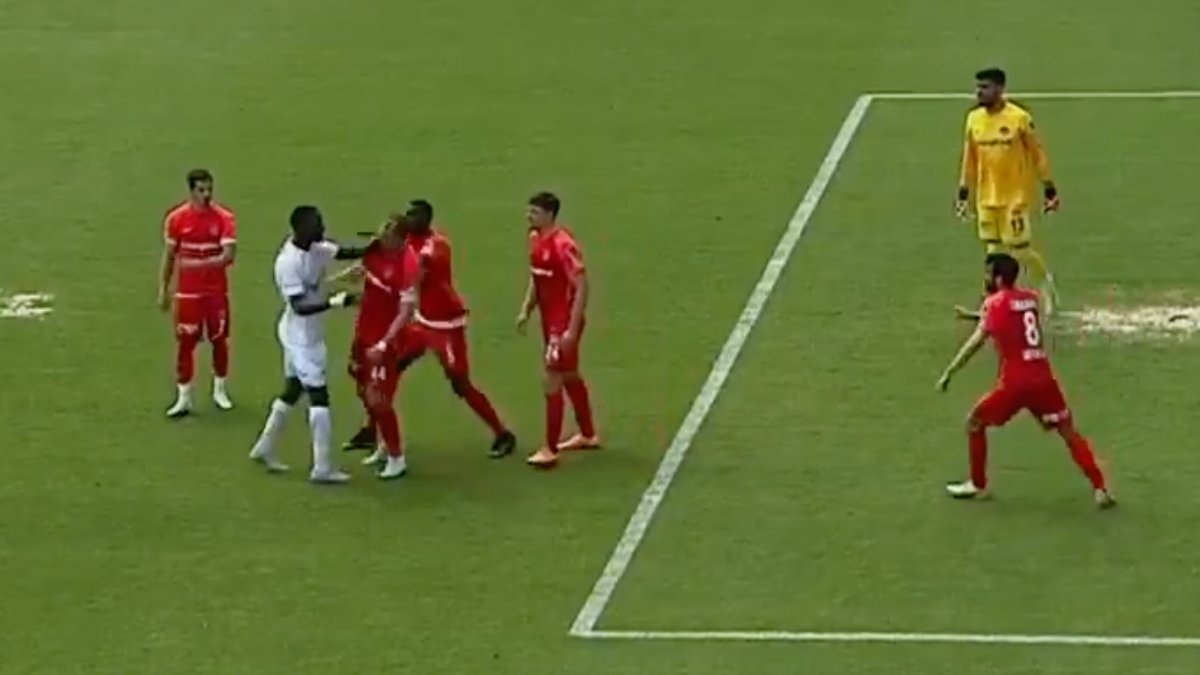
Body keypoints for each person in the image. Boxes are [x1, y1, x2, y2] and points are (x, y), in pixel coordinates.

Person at [936, 253, 1115, 509]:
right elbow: (1012, 318)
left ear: (999, 278)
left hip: (1015, 382)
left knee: (975, 422)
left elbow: (977, 341)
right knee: (1068, 432)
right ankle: (1100, 488)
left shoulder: (993, 303)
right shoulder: (1030, 299)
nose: (985, 278)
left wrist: (949, 372)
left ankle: (978, 484)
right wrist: (974, 315)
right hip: (1043, 377)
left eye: (988, 273)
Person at [248, 206, 366, 484]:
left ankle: (264, 446)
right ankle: (322, 466)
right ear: (300, 229)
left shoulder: (316, 247)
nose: (322, 229)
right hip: (300, 339)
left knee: (293, 389)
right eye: (317, 225)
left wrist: (379, 245)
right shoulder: (287, 263)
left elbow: (346, 251)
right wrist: (337, 301)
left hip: (306, 334)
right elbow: (300, 306)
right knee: (319, 396)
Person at [956, 68, 1061, 314]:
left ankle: (1046, 288)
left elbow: (1037, 153)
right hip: (986, 197)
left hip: (1015, 197)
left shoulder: (1019, 118)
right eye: (978, 87)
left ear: (1000, 89)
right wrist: (963, 190)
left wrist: (1049, 186)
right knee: (992, 251)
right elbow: (969, 157)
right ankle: (991, 304)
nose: (979, 92)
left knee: (1020, 250)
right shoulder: (973, 119)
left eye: (985, 87)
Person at [518, 192, 599, 468]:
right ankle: (588, 434)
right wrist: (526, 309)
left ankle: (550, 449)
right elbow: (537, 277)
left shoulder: (564, 245)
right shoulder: (535, 239)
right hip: (549, 321)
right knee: (569, 375)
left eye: (534, 212)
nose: (529, 216)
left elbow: (582, 286)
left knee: (552, 380)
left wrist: (571, 331)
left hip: (562, 324)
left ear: (549, 215)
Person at [346, 217, 421, 479]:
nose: (381, 240)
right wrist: (353, 274)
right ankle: (384, 442)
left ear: (400, 239)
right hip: (363, 332)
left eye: (386, 237)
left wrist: (384, 343)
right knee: (361, 386)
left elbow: (405, 311)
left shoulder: (408, 264)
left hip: (384, 340)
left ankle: (397, 457)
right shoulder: (375, 250)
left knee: (378, 398)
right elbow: (363, 269)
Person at [159, 169, 237, 417]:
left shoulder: (224, 218)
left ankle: (220, 390)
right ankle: (184, 397)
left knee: (219, 340)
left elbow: (229, 255)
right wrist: (164, 289)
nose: (207, 195)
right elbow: (169, 257)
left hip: (215, 293)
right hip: (188, 294)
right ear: (191, 191)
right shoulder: (176, 219)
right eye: (201, 190)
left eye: (209, 189)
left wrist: (197, 264)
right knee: (186, 343)